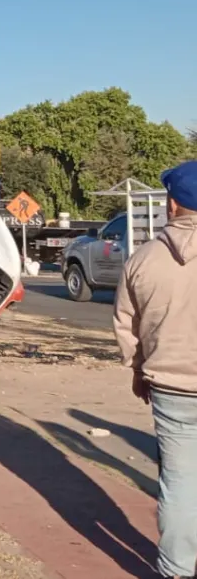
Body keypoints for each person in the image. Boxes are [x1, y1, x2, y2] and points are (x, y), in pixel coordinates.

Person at [114, 160, 197, 579]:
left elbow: (126, 326)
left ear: (172, 204)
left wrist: (137, 369)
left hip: (172, 388)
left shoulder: (143, 259)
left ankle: (176, 570)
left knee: (180, 485)